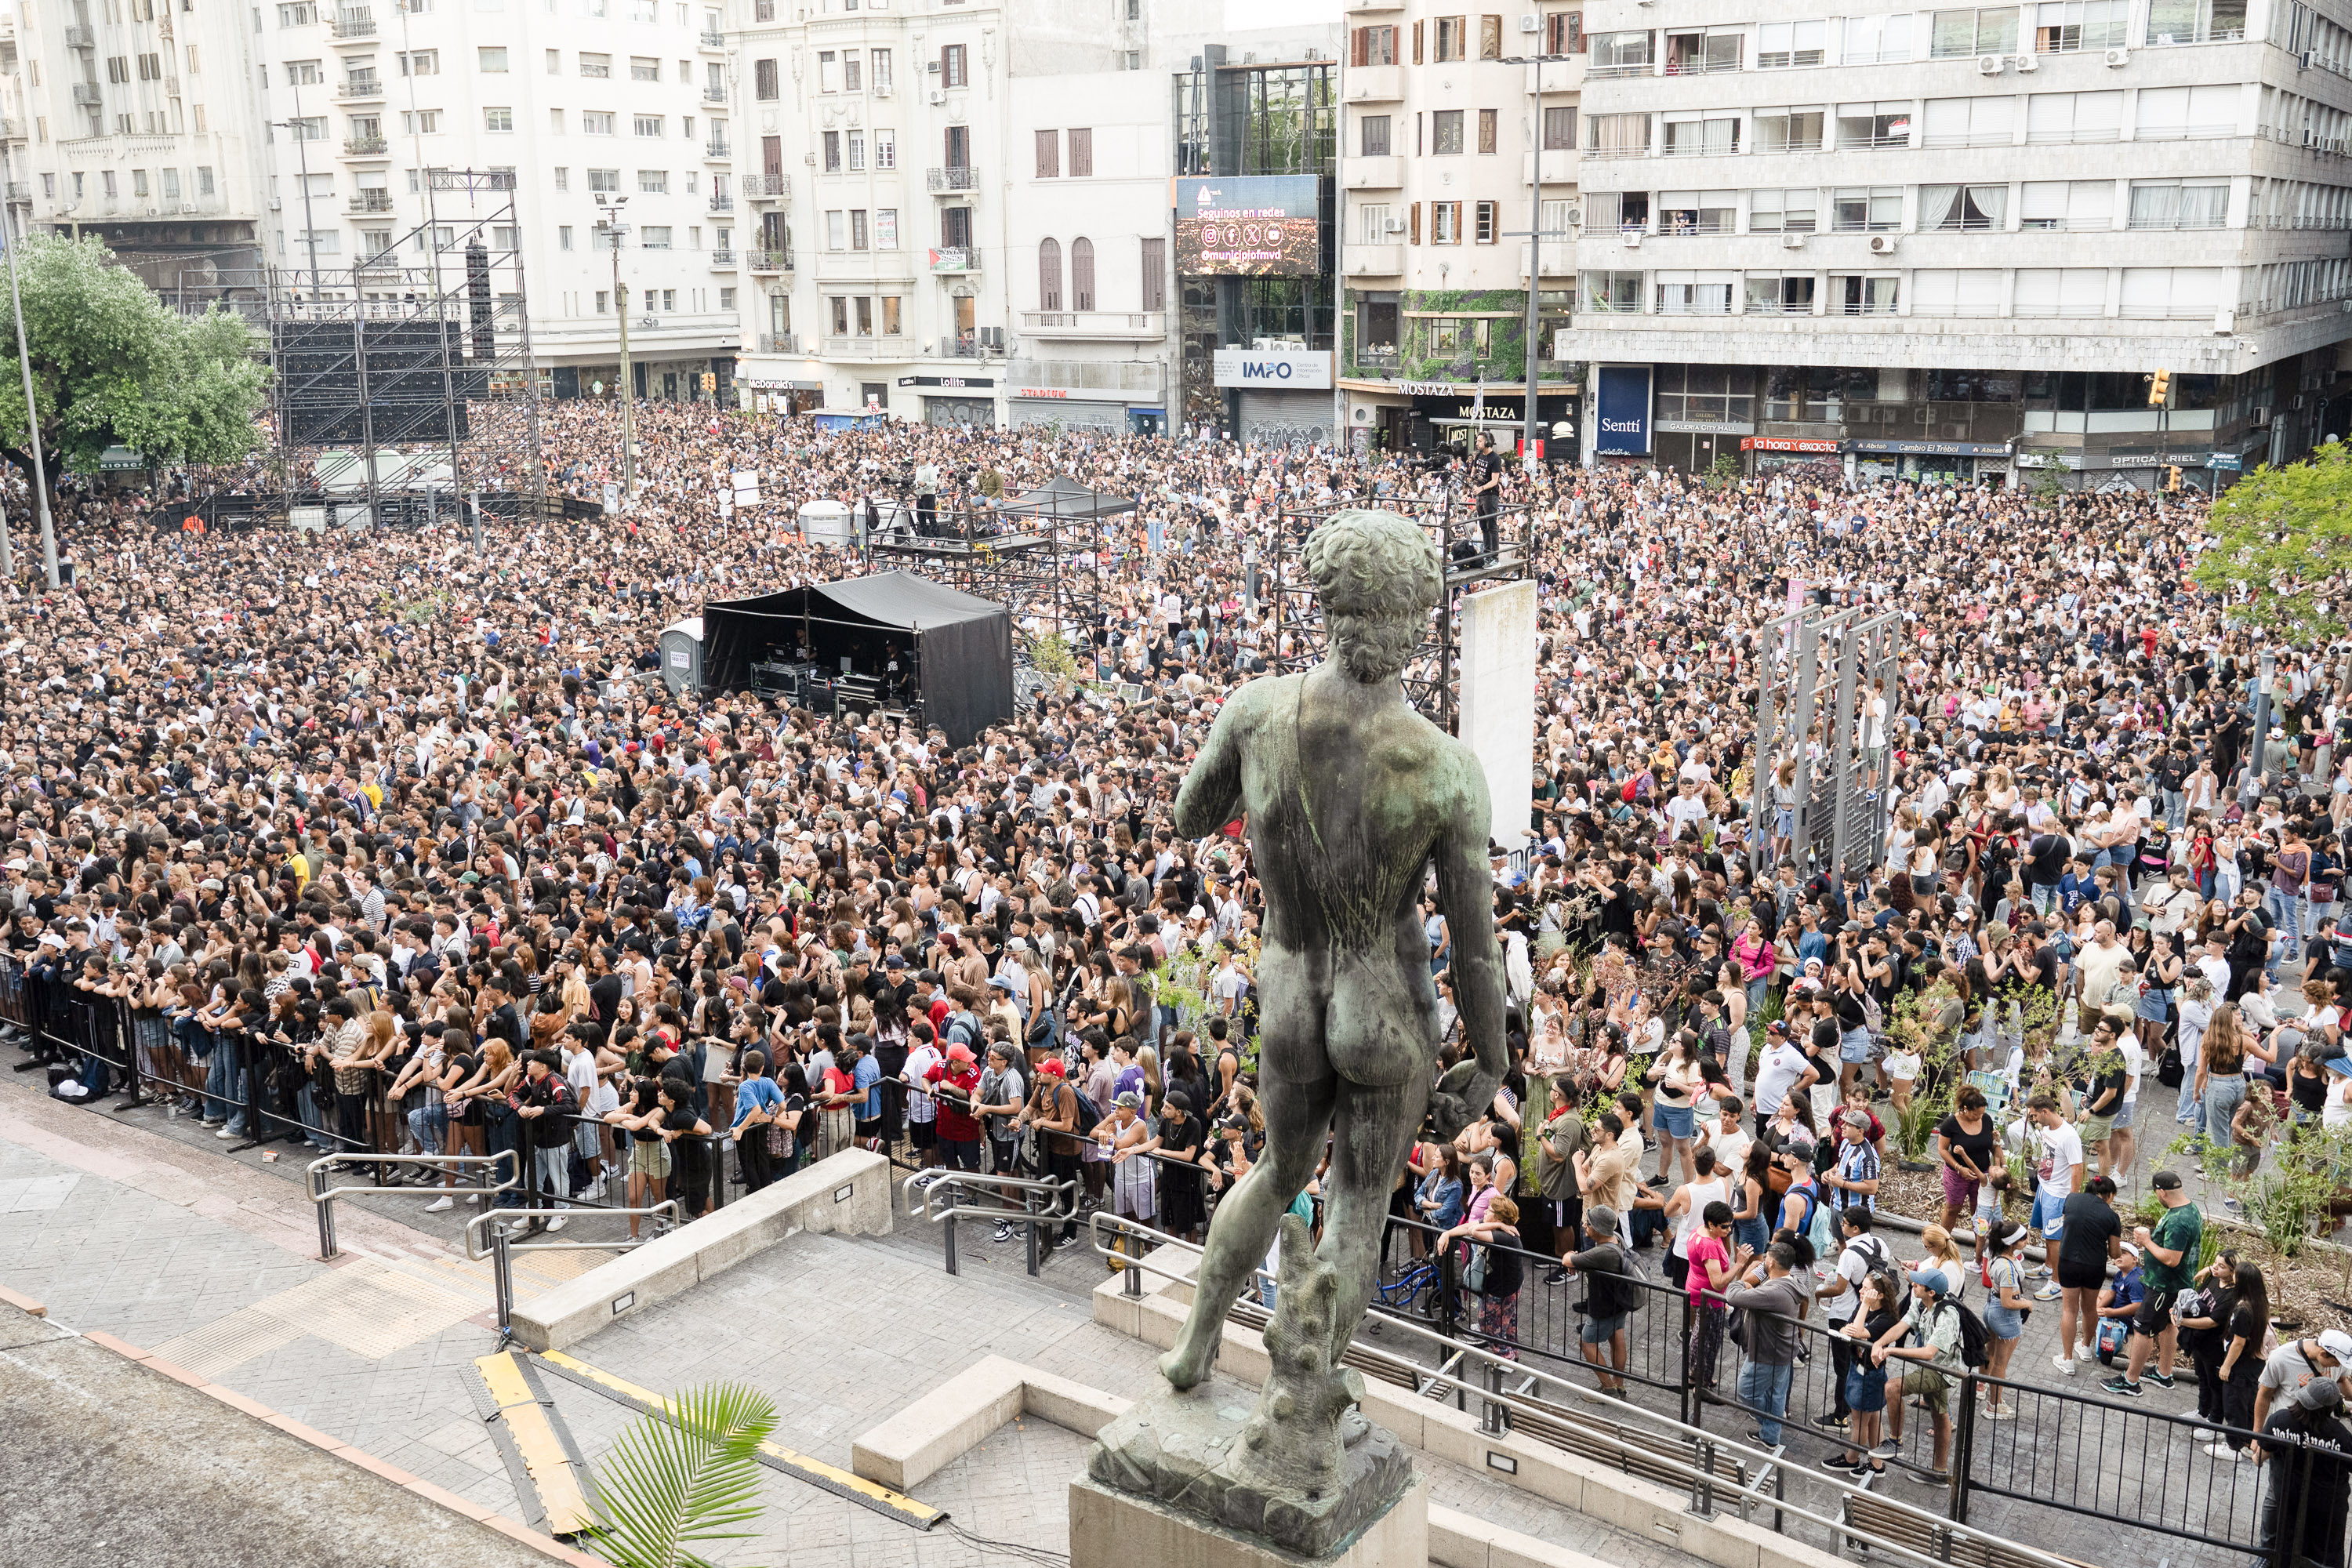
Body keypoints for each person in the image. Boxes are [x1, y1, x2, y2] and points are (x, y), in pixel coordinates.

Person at [2103, 1169, 2201, 1398]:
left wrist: (2146, 1241)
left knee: (2142, 1329)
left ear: (2162, 1192)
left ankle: (2131, 1380)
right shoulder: (2190, 1209)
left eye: (2156, 1193)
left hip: (2164, 1286)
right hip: (2178, 1284)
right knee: (2168, 1325)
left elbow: (2171, 1259)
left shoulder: (2178, 1221)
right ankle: (2164, 1373)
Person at [1874, 1268, 1966, 1485]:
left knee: (1893, 1387)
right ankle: (1939, 1473)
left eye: (1917, 1284)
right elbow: (1901, 1327)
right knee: (1940, 1413)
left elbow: (1928, 1353)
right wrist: (1880, 1343)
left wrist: (1890, 1351)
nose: (1912, 1285)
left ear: (1931, 1292)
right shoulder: (1920, 1303)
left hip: (1943, 1370)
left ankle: (1895, 1442)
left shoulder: (1947, 1316)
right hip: (1934, 1365)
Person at [2254, 1380, 2352, 1568]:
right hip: (2329, 1506)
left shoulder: (2280, 1420)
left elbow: (2259, 1458)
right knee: (2326, 1554)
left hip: (2289, 1498)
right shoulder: (2340, 1435)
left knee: (2285, 1546)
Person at [1814, 1207, 1894, 1436]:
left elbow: (1839, 1288)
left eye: (1845, 1224)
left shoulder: (1849, 1254)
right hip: (1867, 1312)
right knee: (1857, 1360)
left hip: (1844, 1314)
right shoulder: (1879, 1244)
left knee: (1843, 1367)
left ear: (1855, 1228)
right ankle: (1850, 1411)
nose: (1842, 1226)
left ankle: (1841, 1415)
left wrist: (1820, 1292)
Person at [1724, 1239, 1807, 1447]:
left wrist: (1741, 1279)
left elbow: (1733, 1296)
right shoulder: (1789, 1282)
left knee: (1746, 1390)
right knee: (1776, 1395)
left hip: (1767, 1352)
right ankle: (1770, 1436)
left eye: (1767, 1258)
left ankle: (1770, 1424)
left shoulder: (1774, 1292)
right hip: (1783, 1349)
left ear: (1771, 1263)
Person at [2047, 1174, 2122, 1372]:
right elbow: (2115, 1253)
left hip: (2068, 1261)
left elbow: (2069, 1223)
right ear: (2109, 1195)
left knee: (2069, 1310)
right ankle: (2086, 1347)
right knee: (2089, 1309)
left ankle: (2067, 1359)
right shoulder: (2112, 1216)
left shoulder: (2071, 1199)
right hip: (2094, 1266)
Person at [1563, 1204, 1639, 1398]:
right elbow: (1584, 1260)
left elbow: (1567, 1260)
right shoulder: (1617, 1239)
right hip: (1618, 1303)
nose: (1584, 1226)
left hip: (1603, 1306)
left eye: (1588, 1224)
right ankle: (1618, 1383)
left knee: (1586, 1342)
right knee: (1616, 1338)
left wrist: (1573, 1258)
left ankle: (1607, 1388)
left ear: (1597, 1229)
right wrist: (1580, 1260)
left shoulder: (1603, 1252)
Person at [1978, 1218, 2032, 1420]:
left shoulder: (1994, 1256)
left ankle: (1980, 1385)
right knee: (2001, 1364)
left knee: (1989, 1351)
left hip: (1990, 1308)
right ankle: (1994, 1405)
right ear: (2011, 1243)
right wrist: (2026, 1304)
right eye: (2023, 1238)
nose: (2027, 1241)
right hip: (2005, 1316)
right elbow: (2008, 1302)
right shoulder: (2008, 1268)